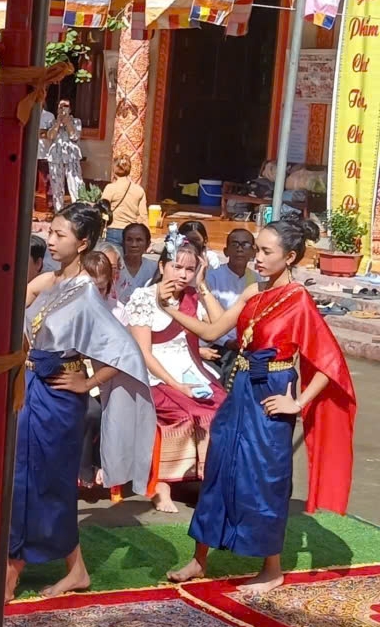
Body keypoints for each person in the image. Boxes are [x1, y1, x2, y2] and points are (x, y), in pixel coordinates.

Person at [0, 203, 155, 601]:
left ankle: (12, 569)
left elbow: (126, 352)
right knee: (29, 480)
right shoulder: (51, 282)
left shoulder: (87, 293)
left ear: (83, 242)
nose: (51, 241)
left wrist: (88, 380)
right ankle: (72, 569)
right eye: (50, 233)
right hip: (33, 390)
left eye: (60, 235)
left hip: (58, 399)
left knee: (43, 483)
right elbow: (6, 312)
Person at [165, 220, 355, 594]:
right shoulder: (254, 288)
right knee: (219, 467)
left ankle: (272, 568)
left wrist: (297, 402)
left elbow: (331, 363)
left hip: (274, 389)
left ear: (290, 257)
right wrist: (175, 303)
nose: (259, 257)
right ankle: (200, 558)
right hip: (240, 388)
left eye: (267, 252)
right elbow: (213, 331)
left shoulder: (298, 299)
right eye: (258, 250)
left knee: (266, 477)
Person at [126, 232, 228, 513]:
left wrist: (203, 286)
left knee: (222, 411)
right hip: (155, 374)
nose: (183, 274)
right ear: (162, 267)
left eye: (190, 269)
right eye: (176, 267)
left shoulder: (194, 297)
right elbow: (144, 353)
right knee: (182, 416)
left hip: (192, 370)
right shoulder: (143, 298)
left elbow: (220, 326)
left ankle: (211, 482)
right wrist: (175, 385)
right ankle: (162, 486)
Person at [204, 229, 257, 382]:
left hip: (248, 345)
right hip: (218, 343)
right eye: (235, 244)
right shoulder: (212, 278)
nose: (240, 249)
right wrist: (227, 341)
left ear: (253, 252)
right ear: (226, 251)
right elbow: (206, 317)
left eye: (245, 244)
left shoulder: (258, 280)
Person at [102, 156, 149, 246]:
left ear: (114, 170)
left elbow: (103, 209)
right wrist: (147, 236)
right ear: (129, 170)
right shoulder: (139, 190)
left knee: (113, 259)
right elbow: (143, 216)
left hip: (113, 229)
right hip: (131, 231)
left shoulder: (110, 188)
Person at [115, 223, 157, 299]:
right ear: (123, 243)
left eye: (139, 240)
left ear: (147, 244)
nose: (134, 245)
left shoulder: (154, 268)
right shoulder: (115, 267)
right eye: (129, 240)